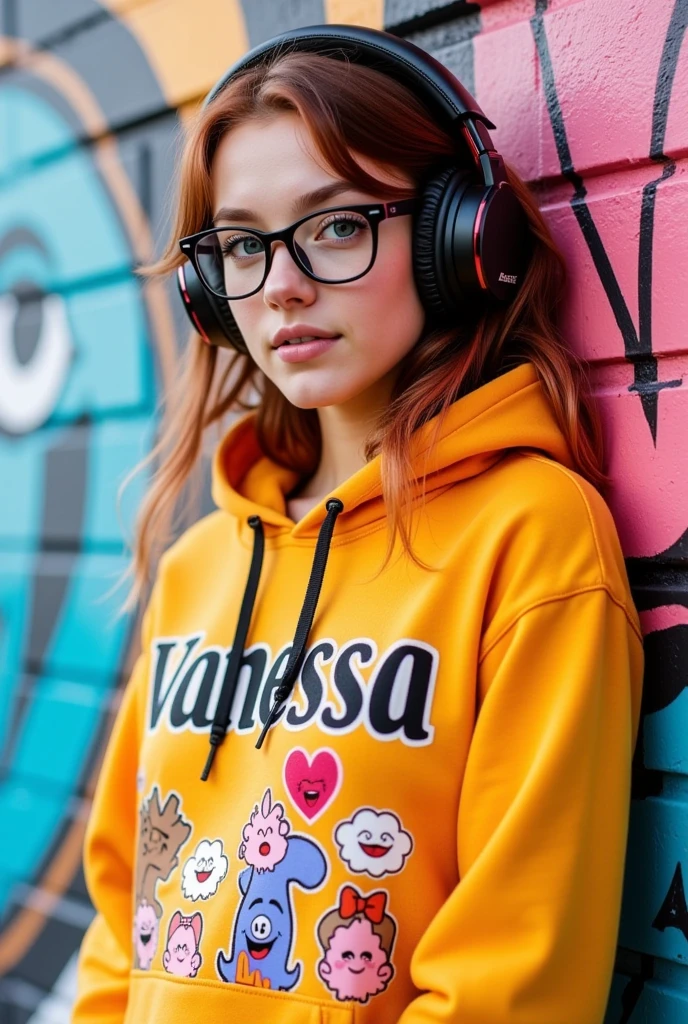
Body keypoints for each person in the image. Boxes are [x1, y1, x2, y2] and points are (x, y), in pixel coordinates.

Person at [72, 25, 644, 1024]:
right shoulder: (203, 564)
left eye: (334, 226)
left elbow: (514, 987)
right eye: (243, 245)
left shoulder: (531, 537)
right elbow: (125, 918)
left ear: (456, 238)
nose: (281, 284)